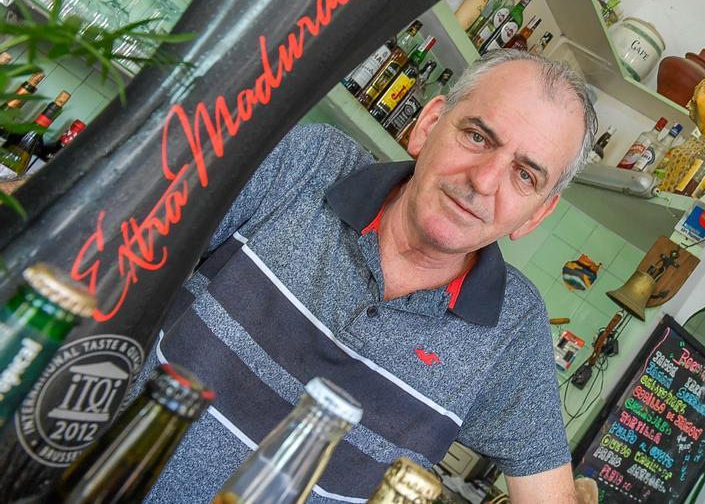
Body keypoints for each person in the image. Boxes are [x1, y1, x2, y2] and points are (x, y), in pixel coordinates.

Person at [141, 50, 599, 502]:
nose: (484, 181)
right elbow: (122, 259)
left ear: (536, 214)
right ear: (428, 124)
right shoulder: (309, 163)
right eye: (478, 137)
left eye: (524, 175)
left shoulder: (512, 328)